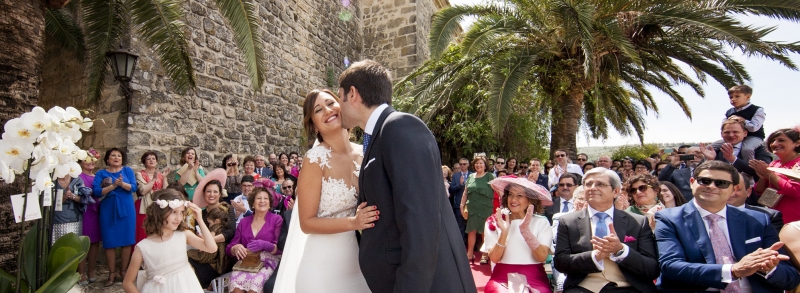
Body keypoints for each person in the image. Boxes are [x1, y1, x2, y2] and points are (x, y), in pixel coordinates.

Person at [338, 59, 476, 292]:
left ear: (352, 94)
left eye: (338, 96)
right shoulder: (379, 135)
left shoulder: (399, 127)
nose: (337, 107)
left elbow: (420, 224)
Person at [272, 89, 376, 292]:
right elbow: (307, 223)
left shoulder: (365, 152)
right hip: (322, 271)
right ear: (314, 125)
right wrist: (353, 222)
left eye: (331, 103)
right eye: (319, 110)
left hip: (363, 267)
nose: (328, 110)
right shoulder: (315, 159)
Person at [655, 160, 800, 292]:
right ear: (692, 182)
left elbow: (790, 277)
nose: (711, 186)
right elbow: (671, 266)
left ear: (734, 189)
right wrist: (733, 270)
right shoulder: (669, 219)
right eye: (705, 181)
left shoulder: (757, 220)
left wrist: (770, 269)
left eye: (721, 183)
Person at [554, 167, 660, 293]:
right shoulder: (568, 222)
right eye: (588, 184)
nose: (593, 187)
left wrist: (621, 250)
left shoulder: (638, 222)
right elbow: (560, 262)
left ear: (615, 191)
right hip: (583, 287)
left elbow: (652, 268)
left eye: (600, 184)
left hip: (629, 287)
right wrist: (594, 256)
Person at [122, 189, 217, 293]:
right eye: (174, 212)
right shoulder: (143, 247)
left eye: (181, 213)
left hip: (186, 287)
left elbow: (212, 248)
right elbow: (128, 283)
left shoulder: (184, 235)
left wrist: (200, 220)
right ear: (160, 212)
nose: (179, 218)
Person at [481, 177, 554, 293]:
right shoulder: (494, 221)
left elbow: (542, 257)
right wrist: (504, 232)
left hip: (534, 277)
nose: (513, 199)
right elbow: (494, 258)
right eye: (510, 194)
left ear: (530, 200)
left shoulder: (542, 222)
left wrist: (525, 231)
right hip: (501, 277)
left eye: (520, 195)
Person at [93, 148, 138, 287]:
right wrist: (113, 186)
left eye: (119, 155)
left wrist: (122, 184)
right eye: (113, 155)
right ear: (107, 159)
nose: (116, 157)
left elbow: (134, 187)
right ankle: (111, 273)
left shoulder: (127, 171)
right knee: (109, 240)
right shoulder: (101, 173)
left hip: (126, 209)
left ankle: (124, 271)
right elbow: (96, 191)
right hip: (108, 209)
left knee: (127, 240)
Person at [227, 187, 284, 293]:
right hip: (246, 261)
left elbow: (280, 249)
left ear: (270, 203)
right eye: (259, 198)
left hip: (268, 260)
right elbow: (230, 247)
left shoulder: (277, 219)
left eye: (265, 198)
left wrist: (265, 245)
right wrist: (235, 248)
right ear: (252, 203)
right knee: (236, 289)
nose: (262, 201)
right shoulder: (244, 222)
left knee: (253, 288)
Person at [190, 174, 237, 288]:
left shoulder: (227, 209)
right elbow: (198, 232)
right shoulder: (201, 213)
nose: (212, 195)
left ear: (220, 194)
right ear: (204, 193)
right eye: (208, 191)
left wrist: (210, 240)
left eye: (215, 192)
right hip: (204, 252)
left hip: (222, 257)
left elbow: (231, 232)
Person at [749, 127, 800, 223]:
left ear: (797, 143)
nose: (774, 144)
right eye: (772, 141)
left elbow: (794, 191)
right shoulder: (774, 163)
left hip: (794, 221)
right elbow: (759, 191)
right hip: (775, 217)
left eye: (781, 140)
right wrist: (763, 178)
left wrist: (769, 174)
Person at [703, 119, 773, 182]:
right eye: (727, 132)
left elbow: (764, 172)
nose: (731, 135)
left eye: (735, 132)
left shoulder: (758, 149)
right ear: (721, 134)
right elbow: (700, 173)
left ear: (745, 133)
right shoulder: (715, 150)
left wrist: (733, 159)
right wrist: (710, 160)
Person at [711, 85, 766, 162]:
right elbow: (724, 125)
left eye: (737, 96)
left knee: (747, 149)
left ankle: (749, 168)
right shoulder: (730, 111)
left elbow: (754, 128)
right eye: (731, 97)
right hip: (735, 137)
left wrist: (743, 120)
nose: (733, 99)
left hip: (753, 136)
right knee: (710, 148)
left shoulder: (757, 110)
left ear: (747, 97)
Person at [460, 156, 496, 264]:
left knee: (485, 232)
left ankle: (485, 255)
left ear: (485, 165)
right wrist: (462, 206)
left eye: (481, 163)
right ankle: (470, 254)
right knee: (471, 231)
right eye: (476, 163)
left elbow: (498, 190)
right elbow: (465, 192)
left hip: (485, 208)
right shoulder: (470, 176)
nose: (478, 165)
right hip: (472, 208)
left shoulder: (490, 176)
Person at [78, 149, 101, 284]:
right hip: (85, 211)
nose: (90, 162)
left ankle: (91, 270)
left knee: (95, 242)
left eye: (92, 159)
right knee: (83, 241)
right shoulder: (78, 176)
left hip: (97, 210)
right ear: (80, 161)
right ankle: (81, 272)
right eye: (87, 159)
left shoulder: (97, 176)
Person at [135, 151, 169, 243]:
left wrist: (165, 177)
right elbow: (143, 190)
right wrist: (153, 179)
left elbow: (165, 191)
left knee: (157, 230)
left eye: (153, 158)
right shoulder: (139, 174)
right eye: (148, 159)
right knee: (143, 231)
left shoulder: (160, 175)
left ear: (157, 161)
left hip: (158, 206)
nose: (151, 160)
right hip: (144, 205)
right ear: (144, 162)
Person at [187, 207, 229, 278]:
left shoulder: (215, 228)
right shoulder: (223, 229)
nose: (209, 225)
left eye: (209, 223)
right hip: (221, 266)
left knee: (188, 254)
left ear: (216, 221)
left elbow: (210, 243)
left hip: (212, 264)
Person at [52, 173, 87, 245]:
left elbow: (85, 199)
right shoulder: (51, 179)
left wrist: (72, 196)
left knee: (73, 248)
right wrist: (63, 198)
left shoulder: (77, 179)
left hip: (74, 219)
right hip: (54, 220)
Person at [450, 157, 471, 242]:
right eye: (460, 164)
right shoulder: (455, 176)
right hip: (459, 204)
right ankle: (461, 244)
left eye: (464, 164)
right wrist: (460, 185)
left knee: (471, 226)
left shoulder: (473, 175)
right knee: (460, 226)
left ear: (468, 165)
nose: (462, 166)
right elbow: (451, 189)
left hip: (471, 203)